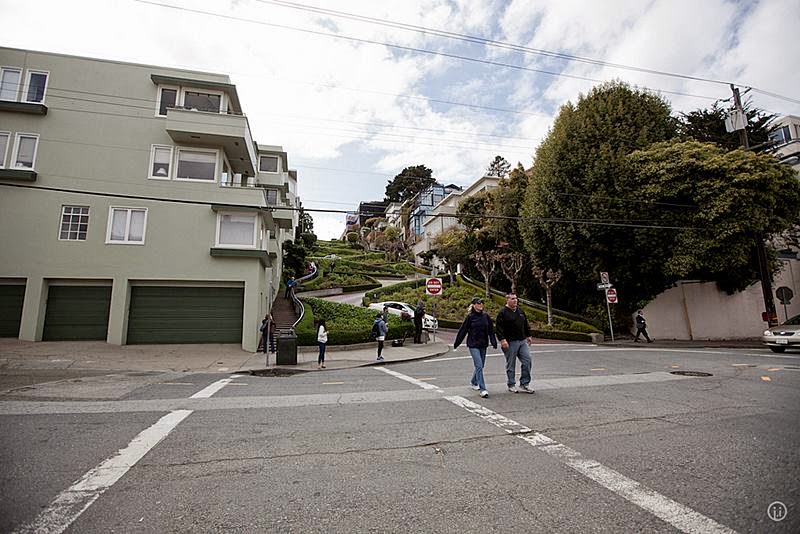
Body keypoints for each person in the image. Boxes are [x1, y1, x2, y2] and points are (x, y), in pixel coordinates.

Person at [454, 297, 497, 398]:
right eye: (478, 303)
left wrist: (494, 342)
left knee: (481, 365)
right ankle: (483, 389)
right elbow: (463, 331)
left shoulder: (486, 317)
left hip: (483, 344)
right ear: (473, 305)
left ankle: (474, 381)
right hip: (473, 344)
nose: (480, 305)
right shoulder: (470, 317)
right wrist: (457, 343)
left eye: (482, 303)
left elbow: (491, 331)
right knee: (478, 365)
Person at [495, 293, 535, 393]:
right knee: (511, 364)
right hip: (510, 342)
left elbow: (525, 324)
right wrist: (502, 340)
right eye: (513, 299)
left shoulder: (520, 311)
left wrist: (528, 335)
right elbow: (499, 328)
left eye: (516, 299)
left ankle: (524, 383)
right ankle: (511, 384)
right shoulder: (502, 313)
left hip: (522, 341)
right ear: (507, 300)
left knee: (527, 361)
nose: (515, 300)